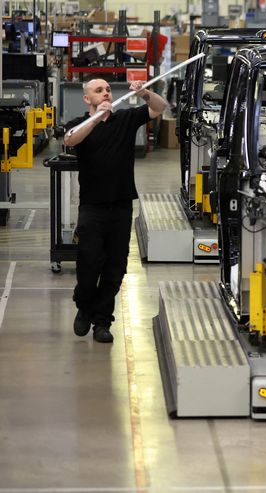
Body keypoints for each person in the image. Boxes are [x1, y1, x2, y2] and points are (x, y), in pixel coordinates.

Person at [64, 77, 167, 343]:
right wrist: (97, 119)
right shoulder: (80, 124)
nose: (106, 93)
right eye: (99, 91)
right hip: (92, 207)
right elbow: (71, 141)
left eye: (108, 89)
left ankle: (102, 322)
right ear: (87, 99)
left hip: (121, 205)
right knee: (88, 262)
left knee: (115, 266)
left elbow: (160, 107)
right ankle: (84, 305)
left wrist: (145, 93)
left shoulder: (125, 119)